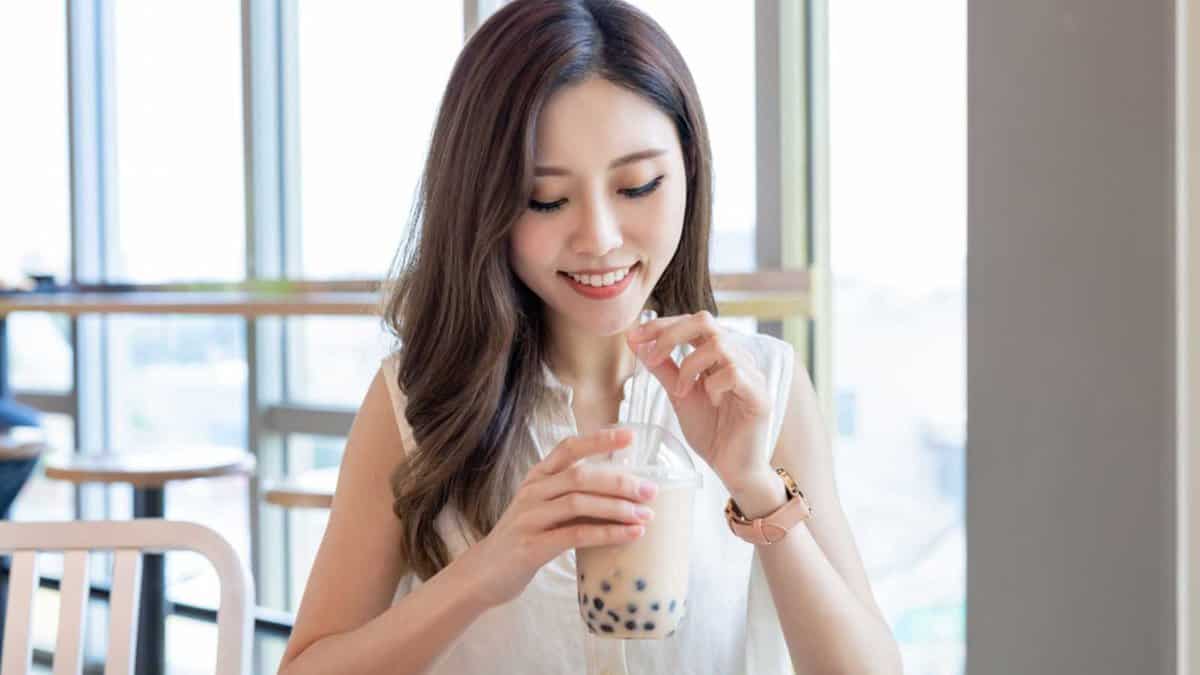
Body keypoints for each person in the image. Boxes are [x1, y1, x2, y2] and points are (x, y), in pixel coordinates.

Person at [279, 1, 901, 673]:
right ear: (484, 203)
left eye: (638, 185)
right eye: (546, 199)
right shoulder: (416, 403)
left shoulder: (762, 386)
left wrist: (755, 486)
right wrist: (485, 572)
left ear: (688, 168)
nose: (600, 237)